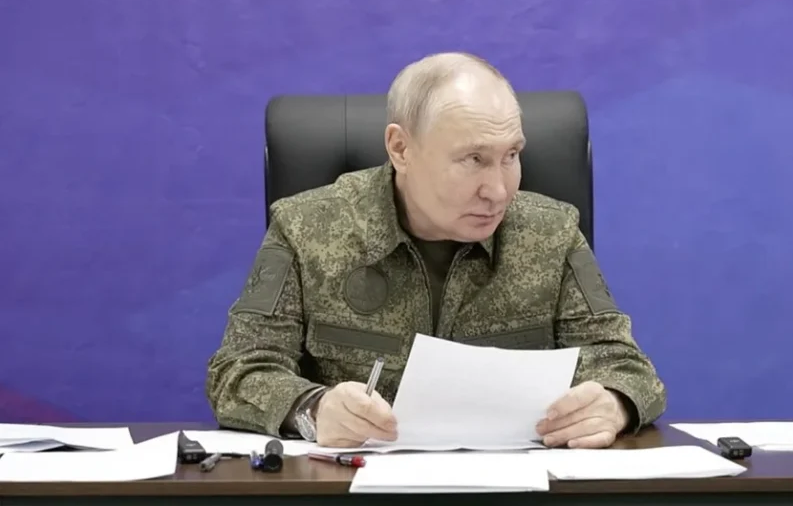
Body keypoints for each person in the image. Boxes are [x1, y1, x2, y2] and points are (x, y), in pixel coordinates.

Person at [206, 52, 666, 449]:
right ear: (401, 149)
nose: (499, 191)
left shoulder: (552, 233)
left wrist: (614, 404)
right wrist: (313, 409)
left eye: (511, 156)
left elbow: (626, 366)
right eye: (474, 159)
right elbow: (238, 371)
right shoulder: (306, 228)